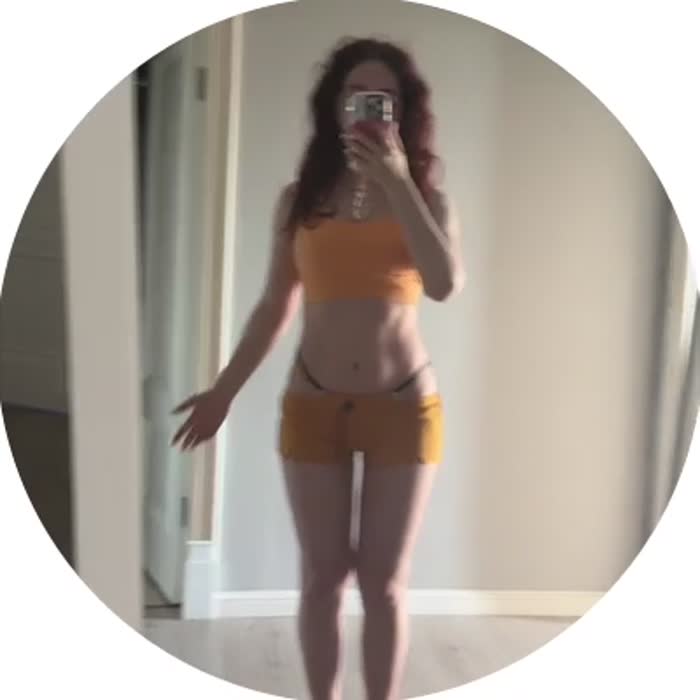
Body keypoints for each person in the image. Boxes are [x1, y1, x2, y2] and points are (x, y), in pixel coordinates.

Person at [172, 36, 464, 700]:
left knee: (384, 585)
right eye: (356, 94)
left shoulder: (430, 200)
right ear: (335, 106)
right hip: (313, 404)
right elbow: (274, 306)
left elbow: (446, 284)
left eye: (385, 98)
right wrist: (222, 392)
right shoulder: (299, 201)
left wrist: (398, 182)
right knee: (322, 579)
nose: (369, 107)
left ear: (404, 111)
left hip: (405, 407)